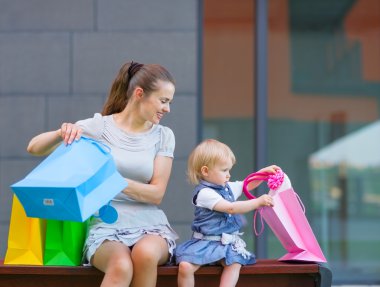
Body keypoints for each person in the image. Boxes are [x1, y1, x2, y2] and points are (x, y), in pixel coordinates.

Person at [27, 61, 178, 287]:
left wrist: (108, 180)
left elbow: (156, 194)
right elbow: (34, 147)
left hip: (150, 225)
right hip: (105, 226)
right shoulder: (100, 127)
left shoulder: (163, 136)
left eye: (169, 102)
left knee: (144, 255)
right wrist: (62, 132)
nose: (167, 109)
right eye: (163, 101)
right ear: (139, 94)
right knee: (121, 266)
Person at [175, 139, 280, 287]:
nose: (228, 175)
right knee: (185, 267)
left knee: (234, 263)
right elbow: (230, 208)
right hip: (205, 243)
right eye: (224, 170)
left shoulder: (227, 187)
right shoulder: (205, 193)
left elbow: (246, 185)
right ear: (205, 171)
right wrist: (257, 202)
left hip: (226, 244)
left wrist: (263, 174)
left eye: (229, 170)